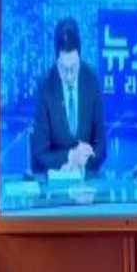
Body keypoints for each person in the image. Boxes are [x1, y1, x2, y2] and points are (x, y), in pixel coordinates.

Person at [31, 18, 107, 173]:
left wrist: (85, 160)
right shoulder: (45, 86)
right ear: (56, 60)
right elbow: (40, 153)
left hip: (87, 179)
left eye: (74, 67)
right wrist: (70, 157)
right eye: (64, 69)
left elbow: (101, 145)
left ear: (80, 57)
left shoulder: (92, 81)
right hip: (55, 180)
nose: (69, 75)